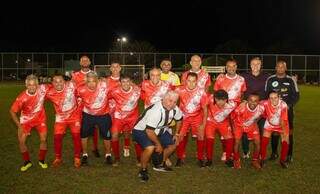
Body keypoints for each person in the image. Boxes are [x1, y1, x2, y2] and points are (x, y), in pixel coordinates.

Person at [132, 91, 182, 182]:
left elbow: (179, 119)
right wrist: (158, 144)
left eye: (175, 102)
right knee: (150, 147)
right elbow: (149, 131)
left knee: (174, 144)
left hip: (158, 130)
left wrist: (176, 134)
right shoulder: (155, 111)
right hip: (141, 130)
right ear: (163, 99)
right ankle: (143, 170)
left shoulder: (175, 109)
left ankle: (159, 164)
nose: (172, 104)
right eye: (170, 101)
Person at [10, 75, 49, 171]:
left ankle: (41, 160)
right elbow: (12, 111)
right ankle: (27, 162)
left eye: (34, 84)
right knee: (22, 142)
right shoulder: (22, 97)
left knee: (43, 139)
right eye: (29, 85)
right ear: (26, 85)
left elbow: (56, 84)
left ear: (37, 85)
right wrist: (19, 126)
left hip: (40, 119)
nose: (32, 87)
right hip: (26, 121)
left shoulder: (42, 89)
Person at [265, 60, 299, 162]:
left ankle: (289, 155)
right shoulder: (270, 79)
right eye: (278, 67)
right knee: (275, 133)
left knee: (288, 134)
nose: (280, 69)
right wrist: (272, 106)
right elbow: (266, 94)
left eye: (282, 67)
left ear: (286, 68)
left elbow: (296, 96)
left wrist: (288, 106)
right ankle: (274, 153)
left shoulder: (291, 80)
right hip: (273, 111)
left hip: (287, 111)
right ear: (276, 68)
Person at [46, 74, 82, 168]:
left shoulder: (71, 85)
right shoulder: (49, 92)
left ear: (64, 81)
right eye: (55, 81)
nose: (58, 83)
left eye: (60, 81)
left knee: (76, 136)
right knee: (57, 137)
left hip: (74, 116)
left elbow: (84, 85)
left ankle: (77, 157)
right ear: (52, 83)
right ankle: (58, 158)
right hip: (60, 118)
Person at [77, 72, 113, 165]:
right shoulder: (80, 89)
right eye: (89, 81)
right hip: (88, 115)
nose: (91, 84)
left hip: (103, 115)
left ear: (98, 81)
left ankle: (108, 155)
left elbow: (119, 84)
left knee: (107, 136)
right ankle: (84, 154)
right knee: (84, 135)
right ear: (86, 82)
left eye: (93, 81)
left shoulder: (105, 85)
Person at [214, 58, 246, 161]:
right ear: (226, 68)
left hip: (236, 109)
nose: (231, 68)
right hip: (222, 108)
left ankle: (234, 152)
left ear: (236, 67)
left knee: (235, 131)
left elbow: (242, 93)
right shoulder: (220, 78)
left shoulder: (241, 79)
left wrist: (240, 104)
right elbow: (216, 93)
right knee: (224, 132)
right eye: (229, 66)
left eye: (233, 66)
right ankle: (225, 152)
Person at [175, 72, 208, 167]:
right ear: (185, 81)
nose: (191, 83)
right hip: (184, 117)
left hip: (197, 117)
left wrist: (204, 124)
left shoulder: (201, 92)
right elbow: (171, 98)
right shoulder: (179, 89)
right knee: (180, 136)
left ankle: (200, 158)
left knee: (201, 136)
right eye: (189, 81)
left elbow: (205, 109)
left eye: (193, 81)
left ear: (197, 81)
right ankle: (180, 158)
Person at [72, 55, 100, 157]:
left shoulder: (94, 74)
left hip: (91, 104)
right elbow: (72, 89)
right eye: (82, 60)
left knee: (95, 127)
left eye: (86, 60)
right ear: (80, 63)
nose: (84, 62)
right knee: (80, 127)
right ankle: (80, 149)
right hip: (78, 105)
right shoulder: (75, 75)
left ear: (89, 62)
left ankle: (95, 148)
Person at [109, 75, 141, 166]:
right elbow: (104, 97)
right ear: (120, 83)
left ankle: (139, 158)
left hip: (133, 117)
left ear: (131, 82)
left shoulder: (137, 90)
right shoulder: (115, 91)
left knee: (137, 136)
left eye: (128, 81)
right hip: (119, 117)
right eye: (123, 81)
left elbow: (148, 96)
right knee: (114, 135)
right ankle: (117, 158)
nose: (126, 83)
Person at [241, 57, 269, 159]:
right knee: (245, 130)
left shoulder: (266, 76)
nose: (255, 66)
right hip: (248, 108)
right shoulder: (244, 76)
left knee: (261, 130)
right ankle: (245, 150)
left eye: (258, 64)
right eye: (253, 64)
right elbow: (239, 88)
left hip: (261, 109)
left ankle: (260, 152)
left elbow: (271, 89)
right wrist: (243, 100)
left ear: (261, 65)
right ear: (250, 65)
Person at [204, 90, 236, 167]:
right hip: (211, 121)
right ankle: (209, 159)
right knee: (209, 139)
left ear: (227, 99)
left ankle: (228, 159)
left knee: (230, 139)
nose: (220, 102)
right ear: (215, 98)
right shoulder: (210, 98)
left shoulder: (232, 104)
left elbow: (238, 111)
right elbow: (203, 104)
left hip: (223, 122)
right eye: (218, 100)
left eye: (223, 100)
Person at [232, 94, 265, 169]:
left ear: (258, 102)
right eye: (251, 100)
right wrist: (235, 128)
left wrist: (254, 122)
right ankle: (236, 160)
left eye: (255, 101)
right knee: (237, 142)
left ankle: (255, 160)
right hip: (239, 125)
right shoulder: (241, 108)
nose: (253, 103)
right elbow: (233, 118)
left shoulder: (261, 108)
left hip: (252, 125)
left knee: (257, 143)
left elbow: (260, 116)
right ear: (247, 100)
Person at [260, 91, 290, 168]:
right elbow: (256, 102)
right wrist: (245, 102)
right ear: (268, 99)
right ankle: (262, 159)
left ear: (279, 97)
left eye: (275, 97)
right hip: (270, 124)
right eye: (271, 98)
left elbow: (283, 120)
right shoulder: (265, 103)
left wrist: (284, 133)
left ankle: (282, 160)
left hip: (282, 124)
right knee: (264, 141)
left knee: (285, 141)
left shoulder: (283, 105)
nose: (273, 100)